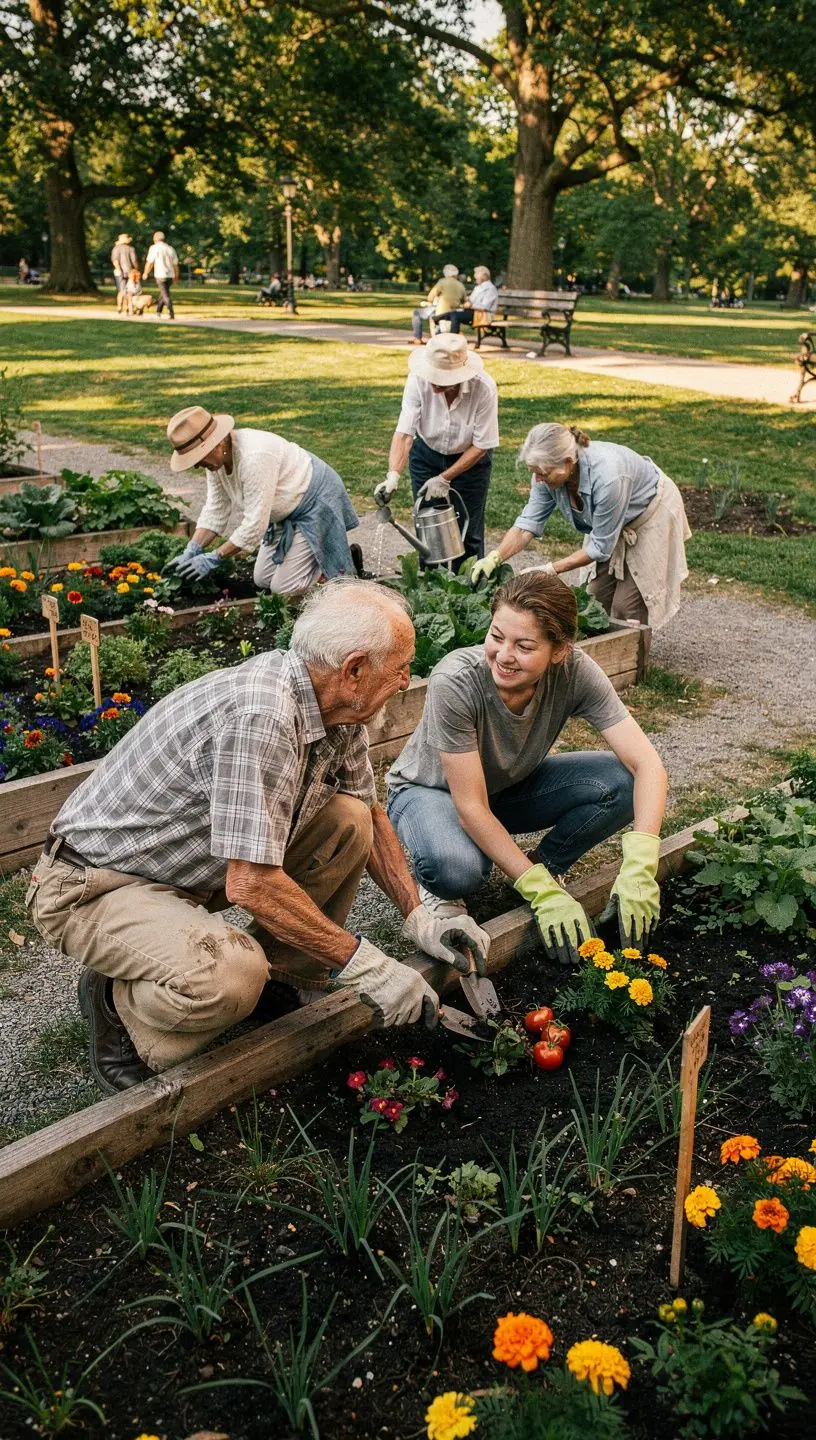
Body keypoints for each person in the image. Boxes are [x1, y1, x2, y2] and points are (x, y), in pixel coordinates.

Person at [25, 581, 491, 1092]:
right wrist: (368, 966)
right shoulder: (263, 715)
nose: (405, 681)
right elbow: (251, 882)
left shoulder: (338, 708)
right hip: (91, 885)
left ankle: (284, 979)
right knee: (231, 975)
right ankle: (119, 1008)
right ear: (354, 668)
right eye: (399, 667)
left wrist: (418, 917)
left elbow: (372, 815)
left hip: (187, 870)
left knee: (348, 819)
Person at [387, 570, 667, 964]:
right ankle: (443, 885)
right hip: (430, 792)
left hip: (503, 790)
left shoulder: (575, 672)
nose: (504, 655)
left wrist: (641, 865)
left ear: (559, 651)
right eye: (496, 636)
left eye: (524, 646)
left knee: (622, 782)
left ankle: (543, 867)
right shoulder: (456, 681)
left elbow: (648, 764)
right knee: (459, 869)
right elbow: (470, 806)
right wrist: (542, 895)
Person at [471, 423, 691, 629]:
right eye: (534, 472)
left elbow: (600, 547)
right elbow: (527, 524)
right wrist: (495, 557)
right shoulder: (546, 472)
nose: (537, 479)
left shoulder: (607, 477)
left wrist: (551, 569)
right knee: (593, 599)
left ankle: (634, 655)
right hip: (609, 522)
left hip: (649, 515)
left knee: (626, 607)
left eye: (543, 473)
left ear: (568, 462)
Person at [163, 405, 364, 594]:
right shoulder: (216, 463)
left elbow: (254, 525)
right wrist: (193, 548)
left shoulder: (254, 457)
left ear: (217, 443)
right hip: (285, 509)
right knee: (263, 579)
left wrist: (215, 557)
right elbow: (216, 509)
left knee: (283, 588)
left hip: (314, 500)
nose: (197, 466)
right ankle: (314, 558)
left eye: (198, 458)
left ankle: (327, 562)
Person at [374, 334, 499, 566]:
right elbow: (405, 433)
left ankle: (468, 584)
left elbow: (481, 446)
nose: (433, 382)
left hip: (470, 461)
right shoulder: (417, 380)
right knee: (427, 528)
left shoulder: (484, 387)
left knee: (468, 531)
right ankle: (430, 583)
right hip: (426, 455)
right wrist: (393, 476)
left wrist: (444, 478)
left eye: (441, 378)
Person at [433, 265, 499, 334]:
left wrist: (471, 305)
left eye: (477, 274)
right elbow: (470, 300)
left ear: (484, 276)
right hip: (473, 312)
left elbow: (485, 307)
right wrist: (465, 300)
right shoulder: (478, 287)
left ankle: (453, 336)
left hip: (484, 315)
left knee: (455, 316)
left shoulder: (490, 288)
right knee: (451, 313)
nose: (475, 277)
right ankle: (437, 322)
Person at [411, 265, 467, 345]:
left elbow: (430, 297)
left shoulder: (442, 282)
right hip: (454, 312)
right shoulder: (461, 285)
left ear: (445, 273)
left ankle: (417, 338)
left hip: (441, 312)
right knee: (432, 312)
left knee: (416, 312)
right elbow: (464, 301)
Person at [143, 230, 179, 319]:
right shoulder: (170, 249)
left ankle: (171, 312)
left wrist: (145, 273)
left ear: (155, 239)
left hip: (160, 274)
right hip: (170, 274)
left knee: (165, 294)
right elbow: (175, 265)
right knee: (164, 293)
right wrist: (176, 276)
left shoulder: (154, 248)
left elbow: (150, 262)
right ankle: (158, 311)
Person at [111, 233, 137, 311]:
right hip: (129, 272)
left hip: (118, 272)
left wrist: (119, 270)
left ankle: (119, 306)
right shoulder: (131, 249)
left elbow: (115, 261)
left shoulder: (115, 249)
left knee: (121, 290)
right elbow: (134, 261)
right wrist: (136, 269)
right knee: (128, 290)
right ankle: (126, 306)